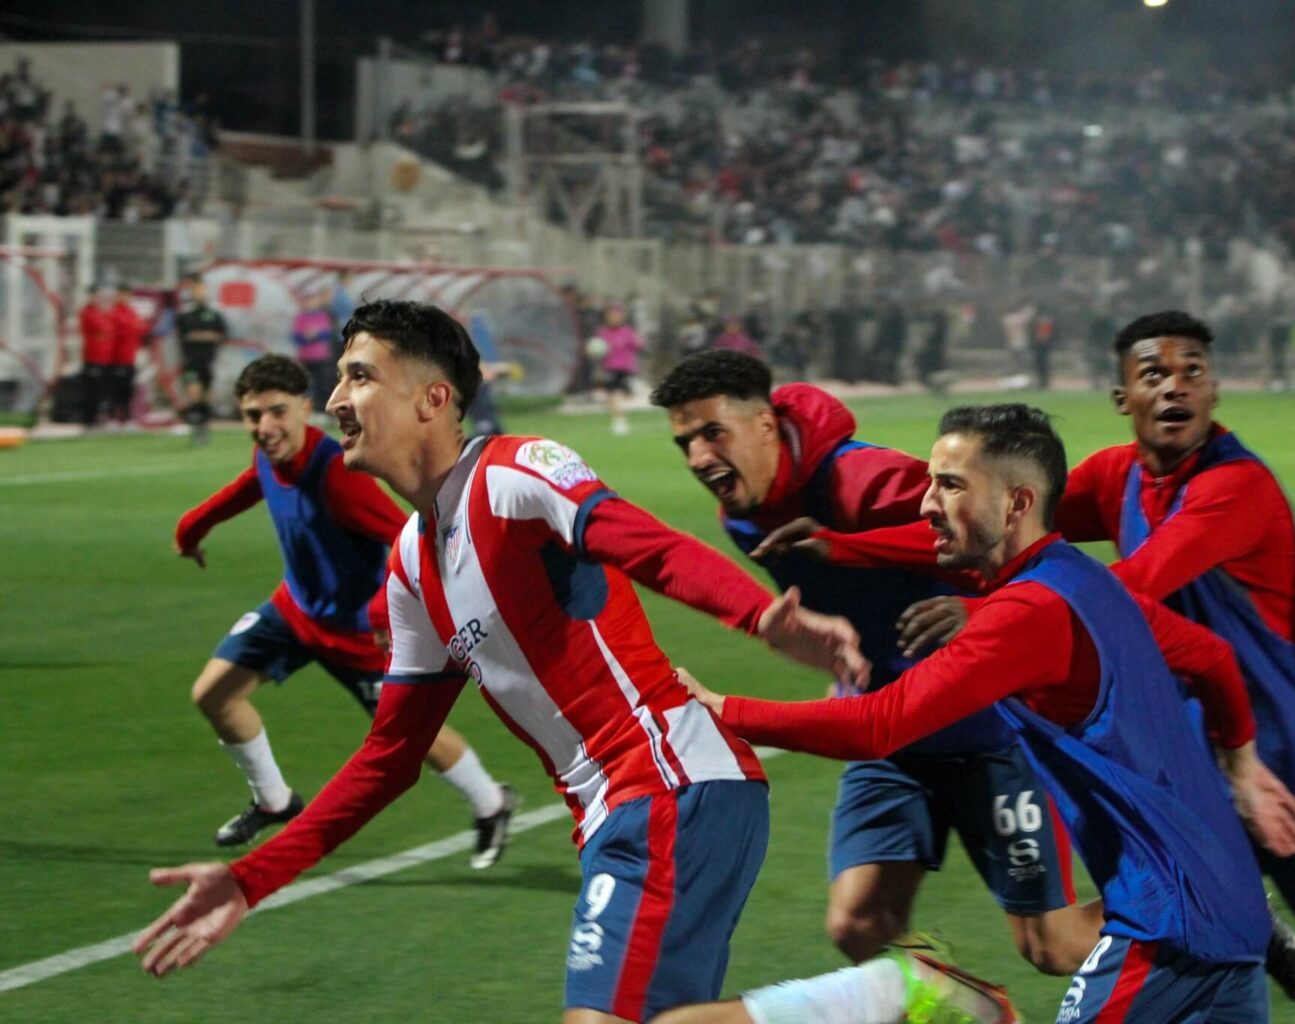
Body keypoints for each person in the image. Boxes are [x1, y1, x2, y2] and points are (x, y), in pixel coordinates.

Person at [135, 299, 874, 1024]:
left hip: (671, 783)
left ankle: (883, 996)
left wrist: (760, 618)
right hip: (615, 815)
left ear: (433, 399)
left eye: (359, 376)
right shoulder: (411, 566)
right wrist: (250, 880)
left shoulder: (514, 472)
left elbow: (642, 542)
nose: (334, 401)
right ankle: (884, 997)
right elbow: (389, 757)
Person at [782, 312, 1295, 1023]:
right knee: (1144, 935)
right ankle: (1245, 928)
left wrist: (990, 616)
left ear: (1215, 389)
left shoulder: (1236, 487)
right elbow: (1005, 524)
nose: (1175, 387)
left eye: (1192, 371)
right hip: (1195, 762)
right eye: (1154, 374)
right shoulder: (1119, 477)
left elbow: (1114, 593)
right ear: (1122, 397)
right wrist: (845, 546)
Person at [678, 403, 1295, 1023]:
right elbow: (1210, 657)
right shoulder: (1087, 582)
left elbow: (878, 724)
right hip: (1221, 905)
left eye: (951, 486)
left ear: (1016, 504)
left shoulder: (1026, 615)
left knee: (1051, 943)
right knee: (865, 920)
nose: (926, 504)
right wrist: (1242, 766)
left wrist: (723, 710)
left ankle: (943, 1002)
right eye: (931, 482)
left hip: (1168, 925)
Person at [650, 350, 1098, 978]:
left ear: (765, 425)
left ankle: (1193, 906)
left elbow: (995, 533)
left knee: (1055, 946)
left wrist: (972, 608)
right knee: (857, 925)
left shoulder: (862, 478)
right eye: (686, 443)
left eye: (712, 433)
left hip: (991, 731)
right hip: (889, 735)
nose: (699, 457)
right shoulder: (744, 516)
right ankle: (972, 1010)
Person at [172, 353, 515, 862]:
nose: (265, 427)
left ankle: (491, 802)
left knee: (412, 738)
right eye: (253, 415)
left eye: (277, 412)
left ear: (304, 407)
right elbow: (251, 486)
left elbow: (409, 536)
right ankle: (274, 801)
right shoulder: (271, 454)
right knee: (214, 695)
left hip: (356, 632)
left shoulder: (337, 474)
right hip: (295, 611)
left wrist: (379, 613)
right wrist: (192, 528)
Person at [176, 273, 229, 444]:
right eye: (196, 289)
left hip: (209, 361)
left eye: (202, 289)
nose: (200, 292)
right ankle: (196, 425)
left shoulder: (214, 314)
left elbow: (222, 335)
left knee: (206, 395)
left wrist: (203, 336)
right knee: (194, 391)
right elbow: (185, 335)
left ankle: (203, 427)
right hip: (191, 361)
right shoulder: (185, 314)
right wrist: (207, 335)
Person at [595, 303, 646, 436]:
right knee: (613, 395)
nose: (614, 318)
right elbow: (597, 349)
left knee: (618, 394)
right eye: (612, 316)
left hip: (625, 368)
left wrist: (638, 341)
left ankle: (619, 420)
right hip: (610, 368)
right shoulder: (603, 333)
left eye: (617, 316)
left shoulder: (627, 332)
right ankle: (618, 419)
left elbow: (638, 345)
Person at [291, 291, 337, 418]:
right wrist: (306, 337)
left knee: (322, 384)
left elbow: (328, 334)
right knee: (306, 385)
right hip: (305, 357)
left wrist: (316, 335)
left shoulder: (322, 316)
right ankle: (308, 411)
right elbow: (296, 338)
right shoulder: (300, 318)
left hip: (321, 357)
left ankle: (322, 411)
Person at [78, 284, 116, 428]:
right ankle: (90, 420)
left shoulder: (102, 312)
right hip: (92, 357)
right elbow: (103, 328)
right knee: (92, 390)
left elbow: (110, 330)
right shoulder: (88, 312)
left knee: (102, 390)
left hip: (105, 358)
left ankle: (100, 419)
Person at [108, 284, 144, 427]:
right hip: (115, 358)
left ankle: (128, 418)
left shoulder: (131, 312)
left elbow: (139, 329)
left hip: (130, 357)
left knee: (128, 389)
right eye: (121, 294)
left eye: (126, 294)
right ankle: (113, 418)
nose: (124, 297)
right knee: (114, 389)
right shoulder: (113, 312)